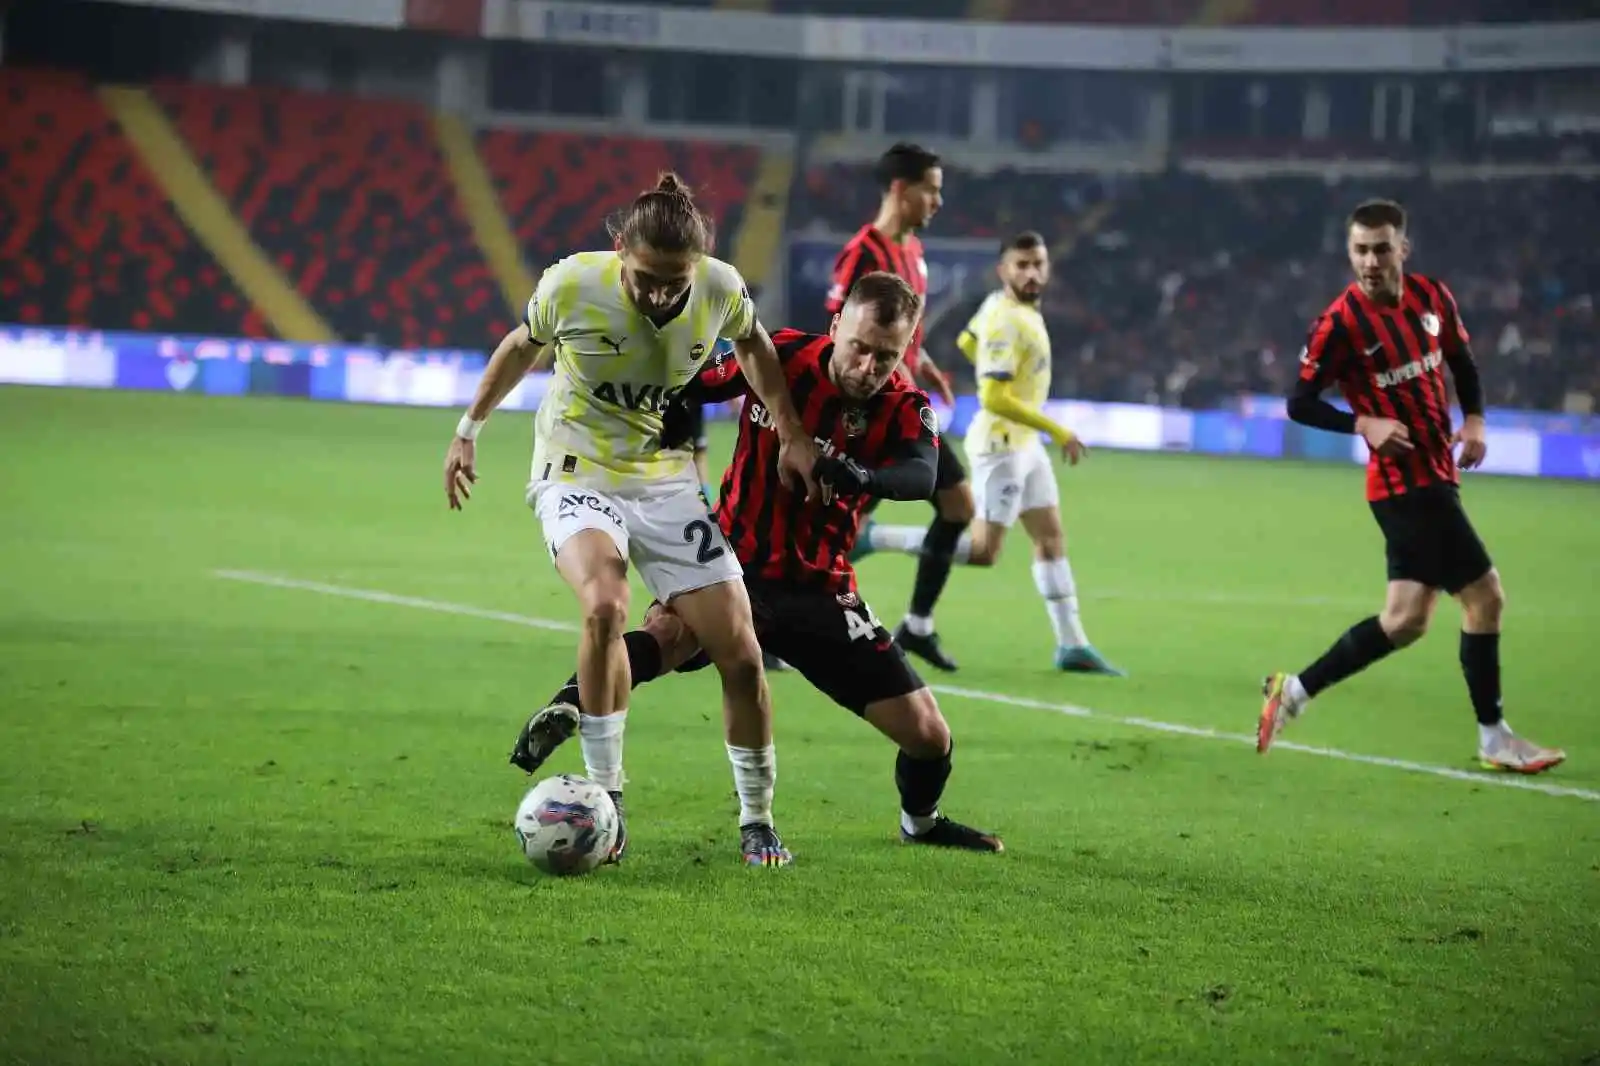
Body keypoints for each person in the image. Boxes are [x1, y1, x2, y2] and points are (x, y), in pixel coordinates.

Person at [514, 272, 1003, 854]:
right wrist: (671, 418)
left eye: (886, 356)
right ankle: (573, 699)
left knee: (929, 737)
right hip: (734, 562)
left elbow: (922, 471)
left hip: (823, 591)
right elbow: (694, 381)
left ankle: (919, 822)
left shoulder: (903, 405)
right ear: (836, 327)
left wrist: (864, 476)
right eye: (861, 347)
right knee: (667, 634)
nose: (870, 366)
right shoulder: (784, 355)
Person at [447, 173, 822, 868]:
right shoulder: (572, 285)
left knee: (739, 651)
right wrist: (470, 427)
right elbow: (520, 347)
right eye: (647, 278)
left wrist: (794, 433)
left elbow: (757, 348)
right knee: (605, 607)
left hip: (665, 481)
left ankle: (757, 819)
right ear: (622, 250)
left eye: (673, 281)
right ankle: (608, 801)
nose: (659, 293)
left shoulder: (719, 287)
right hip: (576, 470)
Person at [1258, 198, 1564, 774]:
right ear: (1349, 253)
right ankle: (1494, 736)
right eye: (1359, 250)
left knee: (1405, 621)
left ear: (1403, 248)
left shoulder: (1432, 298)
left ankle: (1292, 691)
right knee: (1486, 597)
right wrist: (1361, 423)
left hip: (1433, 475)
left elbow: (1463, 362)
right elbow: (1298, 403)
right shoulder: (1338, 325)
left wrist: (1474, 419)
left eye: (1380, 248)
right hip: (1405, 485)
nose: (1370, 261)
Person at [848, 233, 1123, 674]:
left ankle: (1072, 644)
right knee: (983, 551)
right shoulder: (1006, 319)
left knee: (1050, 539)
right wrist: (1059, 430)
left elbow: (966, 340)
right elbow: (993, 397)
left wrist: (988, 367)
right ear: (1004, 269)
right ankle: (877, 538)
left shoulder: (1005, 308)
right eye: (1022, 265)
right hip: (1002, 446)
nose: (1031, 273)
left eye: (1038, 264)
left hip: (1024, 445)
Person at [825, 143, 971, 674]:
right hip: (870, 407)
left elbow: (901, 331)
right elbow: (839, 330)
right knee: (833, 523)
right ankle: (770, 621)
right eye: (931, 189)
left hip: (905, 403)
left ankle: (918, 625)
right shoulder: (864, 251)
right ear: (900, 189)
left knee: (958, 506)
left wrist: (923, 362)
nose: (937, 200)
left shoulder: (914, 255)